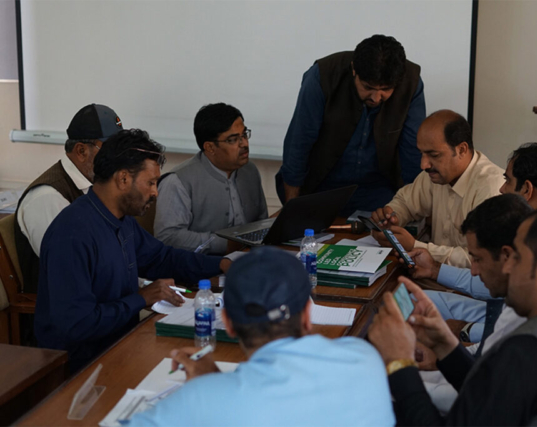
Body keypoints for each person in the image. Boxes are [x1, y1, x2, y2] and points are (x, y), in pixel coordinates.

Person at [369, 203, 537, 425]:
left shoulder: (528, 353)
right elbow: (491, 396)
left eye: (516, 258)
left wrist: (399, 364)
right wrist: (444, 344)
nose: (506, 268)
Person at [35, 129, 232, 373]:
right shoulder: (72, 234)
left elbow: (161, 258)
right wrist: (141, 298)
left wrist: (222, 264)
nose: (155, 192)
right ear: (123, 179)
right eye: (150, 183)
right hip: (81, 365)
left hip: (120, 342)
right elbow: (77, 324)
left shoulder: (121, 218)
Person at [130, 247, 395, 426]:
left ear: (228, 324)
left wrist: (212, 388)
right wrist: (216, 384)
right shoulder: (366, 358)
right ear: (307, 315)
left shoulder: (201, 399)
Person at [412, 142, 537, 343]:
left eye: (508, 180)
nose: (501, 188)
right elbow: (489, 283)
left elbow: (523, 331)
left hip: (513, 335)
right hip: (499, 312)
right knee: (415, 302)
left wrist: (464, 330)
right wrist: (435, 270)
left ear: (526, 189)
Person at [277, 34, 426, 215]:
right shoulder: (322, 76)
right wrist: (292, 211)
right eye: (368, 87)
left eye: (386, 90)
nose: (376, 98)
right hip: (322, 186)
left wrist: (413, 212)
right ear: (354, 69)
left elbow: (413, 152)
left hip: (379, 191)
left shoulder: (411, 82)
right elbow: (299, 142)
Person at [413, 194, 532, 413]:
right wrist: (441, 357)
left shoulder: (531, 321)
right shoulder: (520, 297)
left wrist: (397, 378)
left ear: (507, 256)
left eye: (477, 259)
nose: (474, 271)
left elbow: (475, 397)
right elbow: (484, 353)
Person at [371, 110, 504, 268]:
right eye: (421, 153)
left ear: (461, 150)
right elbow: (405, 202)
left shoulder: (492, 188)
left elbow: (482, 259)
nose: (424, 165)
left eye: (434, 155)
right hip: (431, 275)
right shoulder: (436, 174)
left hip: (466, 282)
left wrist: (415, 246)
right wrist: (392, 216)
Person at [15, 103, 123, 293]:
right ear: (81, 151)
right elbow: (69, 270)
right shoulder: (47, 198)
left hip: (101, 295)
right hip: (64, 307)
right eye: (110, 149)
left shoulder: (96, 185)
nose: (119, 157)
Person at [155, 103, 268, 255]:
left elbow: (261, 221)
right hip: (201, 264)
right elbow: (168, 237)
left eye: (244, 135)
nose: (244, 144)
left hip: (250, 258)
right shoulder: (178, 181)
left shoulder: (250, 170)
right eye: (233, 140)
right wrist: (224, 244)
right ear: (210, 147)